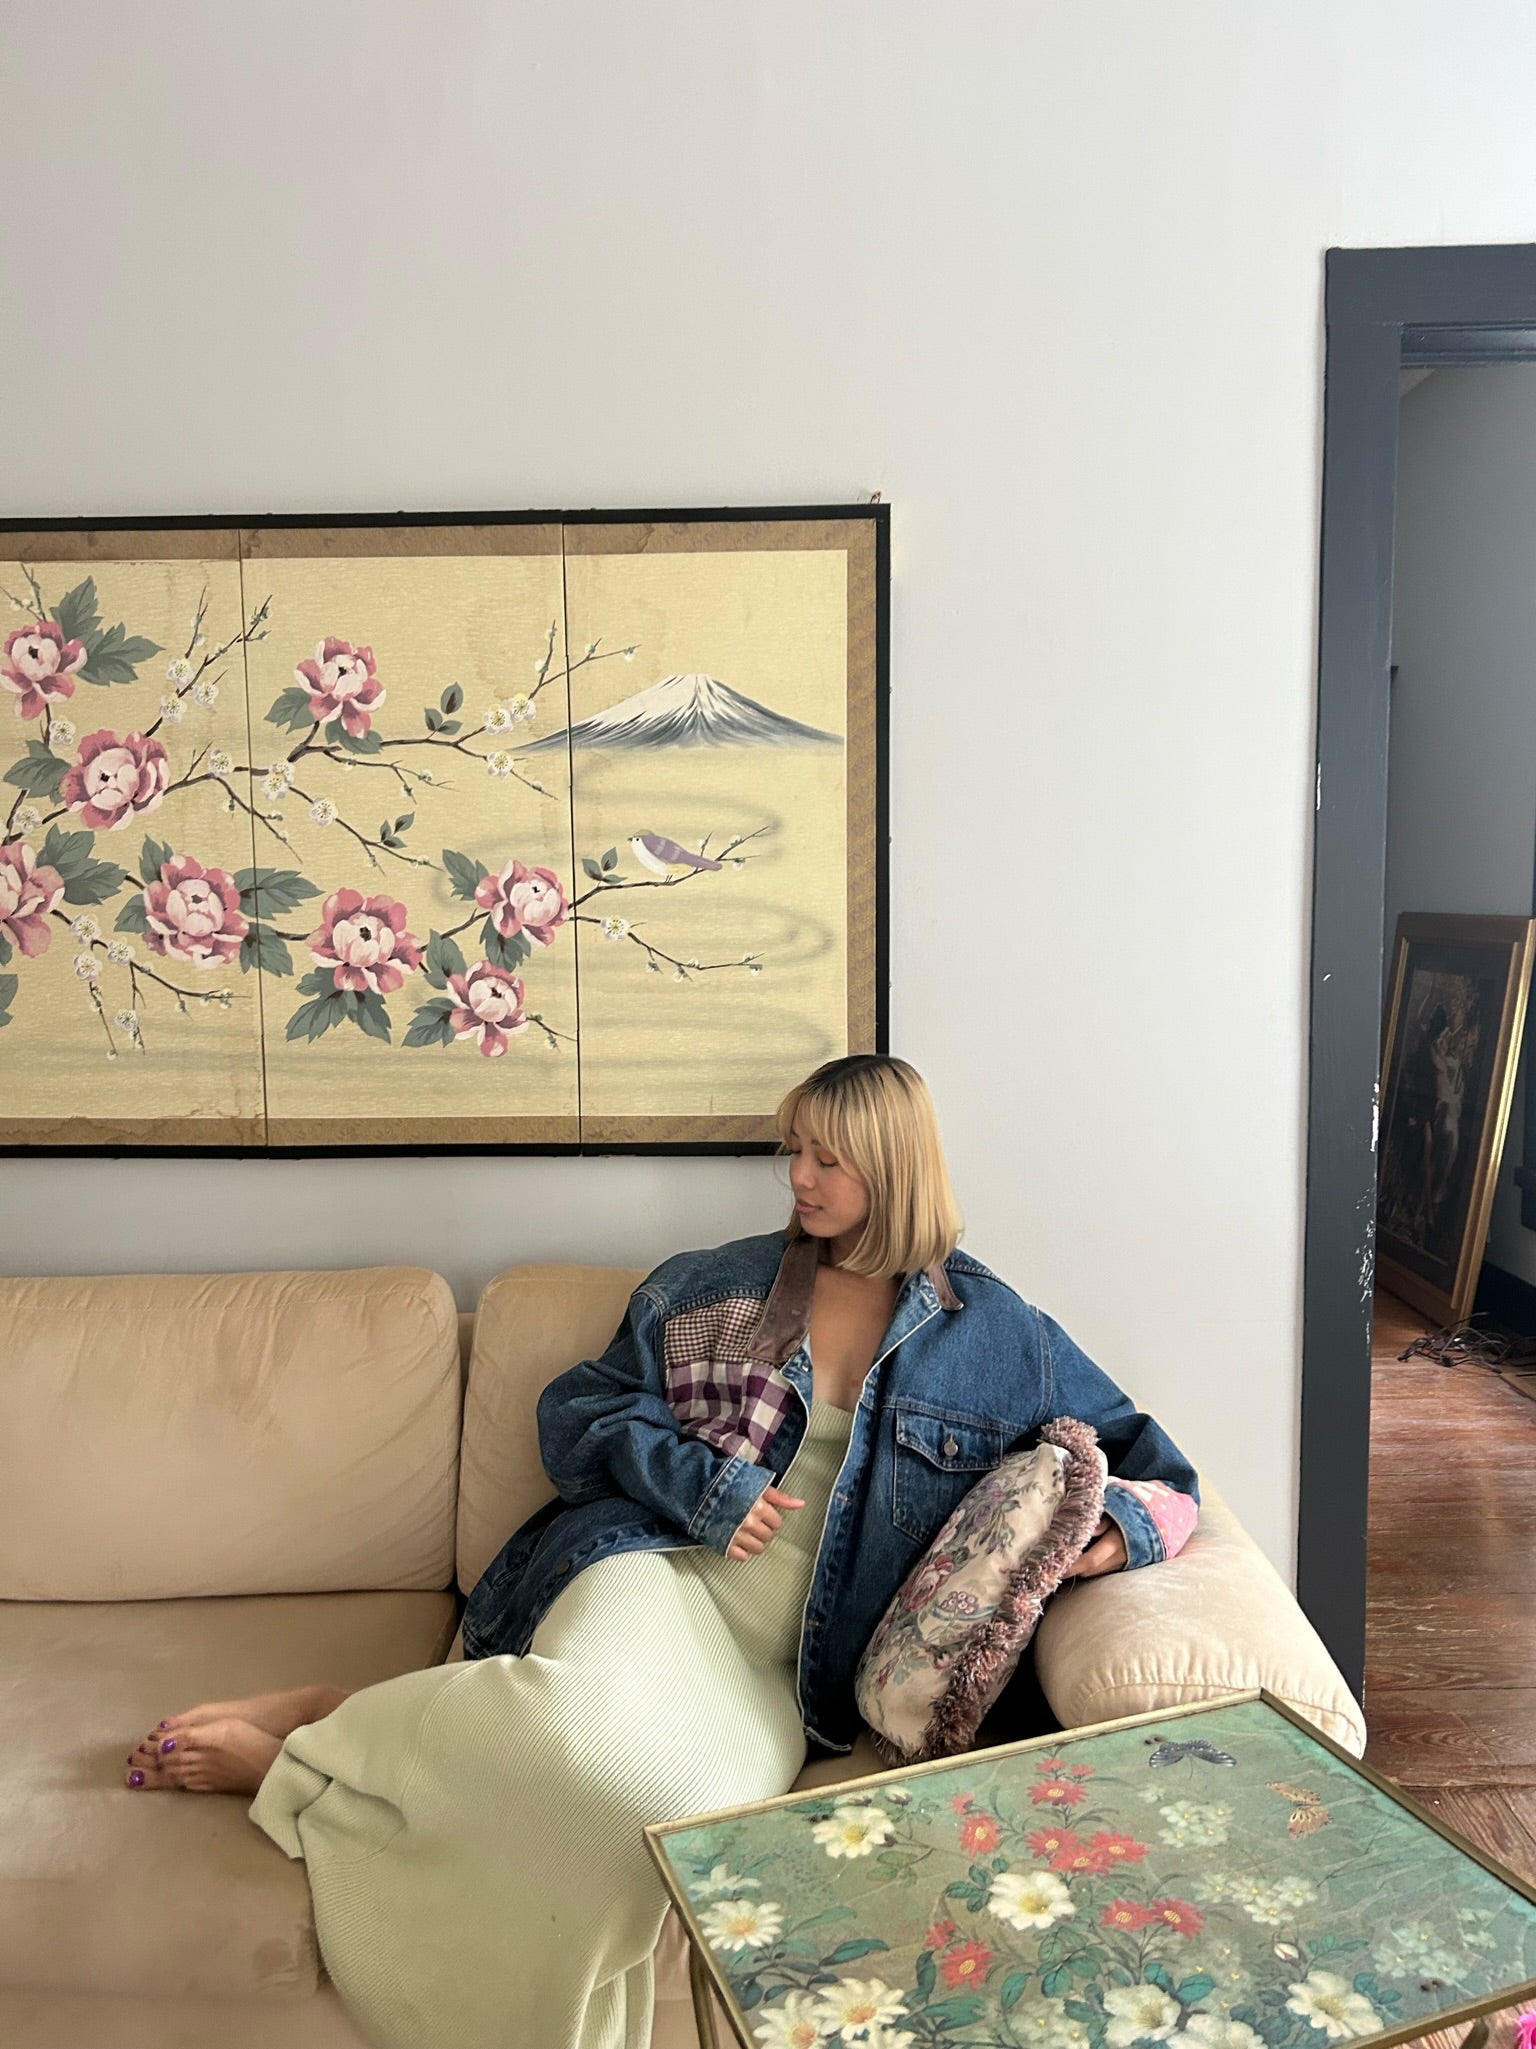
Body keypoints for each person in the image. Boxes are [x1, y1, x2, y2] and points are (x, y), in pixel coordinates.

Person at [126, 1054, 1199, 2049]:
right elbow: (575, 1417)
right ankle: (315, 1760)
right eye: (796, 1150)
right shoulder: (713, 1286)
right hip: (661, 1575)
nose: (799, 1176)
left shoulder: (1004, 1337)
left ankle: (342, 1714)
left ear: (893, 1165)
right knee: (568, 1725)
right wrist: (710, 1487)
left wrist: (1102, 1540)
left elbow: (1164, 1471)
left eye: (828, 1156)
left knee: (655, 1810)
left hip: (793, 1671)